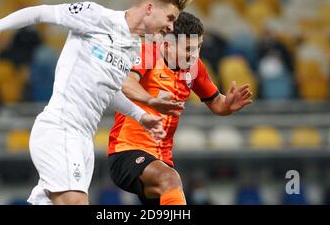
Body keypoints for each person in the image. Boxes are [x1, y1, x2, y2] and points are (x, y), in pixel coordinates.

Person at [0, 0, 192, 205]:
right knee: (76, 202)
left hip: (83, 139)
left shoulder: (133, 48)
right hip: (61, 127)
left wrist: (141, 115)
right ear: (150, 8)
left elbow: (108, 90)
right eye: (170, 18)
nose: (171, 27)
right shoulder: (96, 16)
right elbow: (40, 12)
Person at [108, 12, 253, 205]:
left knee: (170, 186)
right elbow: (126, 83)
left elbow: (217, 103)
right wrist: (151, 101)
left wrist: (228, 104)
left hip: (161, 159)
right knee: (170, 179)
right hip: (127, 151)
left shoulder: (194, 67)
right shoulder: (149, 53)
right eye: (188, 49)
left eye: (198, 47)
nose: (195, 55)